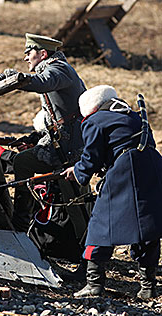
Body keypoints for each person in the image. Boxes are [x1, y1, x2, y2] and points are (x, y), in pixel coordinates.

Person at [62, 85, 162, 299]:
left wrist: (78, 171)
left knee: (100, 224)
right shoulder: (133, 116)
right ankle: (148, 287)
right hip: (153, 166)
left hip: (126, 169)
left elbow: (91, 158)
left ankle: (94, 284)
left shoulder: (94, 121)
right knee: (147, 225)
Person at [0, 33, 87, 232]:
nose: (25, 58)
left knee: (21, 162)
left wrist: (12, 77)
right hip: (63, 141)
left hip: (70, 148)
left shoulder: (58, 69)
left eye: (28, 52)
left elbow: (42, 82)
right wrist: (34, 139)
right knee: (21, 159)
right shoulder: (57, 68)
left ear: (43, 53)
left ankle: (21, 222)